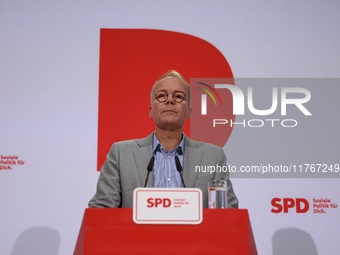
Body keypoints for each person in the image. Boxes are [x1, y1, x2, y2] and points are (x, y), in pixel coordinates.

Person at [88, 70, 238, 208]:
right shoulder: (121, 154)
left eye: (179, 96)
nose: (170, 101)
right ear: (151, 110)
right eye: (161, 96)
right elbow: (101, 211)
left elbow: (228, 213)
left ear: (189, 111)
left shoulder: (213, 156)